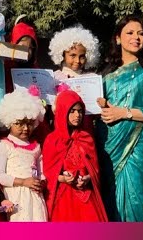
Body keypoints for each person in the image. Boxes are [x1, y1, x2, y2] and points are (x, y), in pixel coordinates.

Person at [95, 14, 143, 221]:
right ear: (118, 38)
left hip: (139, 147)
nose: (136, 37)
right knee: (110, 203)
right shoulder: (105, 75)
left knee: (138, 202)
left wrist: (125, 112)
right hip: (109, 146)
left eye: (141, 33)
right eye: (130, 33)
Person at [44, 89, 108, 221]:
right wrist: (63, 178)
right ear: (62, 112)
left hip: (87, 198)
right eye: (72, 111)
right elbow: (47, 172)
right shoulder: (52, 140)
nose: (77, 115)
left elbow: (95, 170)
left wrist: (88, 178)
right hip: (63, 199)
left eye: (79, 111)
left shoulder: (87, 138)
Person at [0, 87, 48, 221]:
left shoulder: (36, 147)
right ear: (9, 122)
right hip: (15, 196)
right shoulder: (4, 145)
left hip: (34, 196)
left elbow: (42, 173)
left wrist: (41, 182)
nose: (25, 128)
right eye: (19, 124)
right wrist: (24, 182)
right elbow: (0, 176)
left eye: (29, 124)